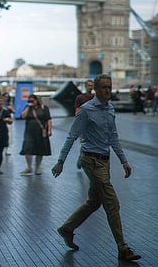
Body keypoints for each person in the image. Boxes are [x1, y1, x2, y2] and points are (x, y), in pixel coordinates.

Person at [51, 74, 141, 262]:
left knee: (94, 202)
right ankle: (123, 248)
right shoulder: (86, 110)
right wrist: (61, 161)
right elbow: (71, 136)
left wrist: (123, 160)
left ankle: (67, 228)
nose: (108, 90)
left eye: (110, 87)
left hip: (104, 161)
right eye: (104, 87)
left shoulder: (110, 108)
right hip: (90, 161)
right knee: (112, 203)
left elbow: (113, 137)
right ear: (96, 90)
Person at [19, 94, 52, 175]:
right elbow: (22, 116)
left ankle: (37, 167)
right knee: (27, 149)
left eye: (32, 100)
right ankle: (29, 167)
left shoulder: (44, 108)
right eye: (29, 100)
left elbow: (49, 120)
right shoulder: (28, 108)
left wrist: (49, 130)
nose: (31, 102)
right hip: (29, 132)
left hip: (41, 132)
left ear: (37, 100)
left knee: (40, 150)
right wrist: (28, 107)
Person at [73, 79, 94, 169]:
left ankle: (89, 160)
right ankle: (81, 158)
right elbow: (77, 110)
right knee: (85, 142)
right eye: (89, 85)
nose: (91, 87)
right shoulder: (80, 97)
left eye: (92, 85)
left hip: (94, 124)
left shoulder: (96, 97)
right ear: (85, 86)